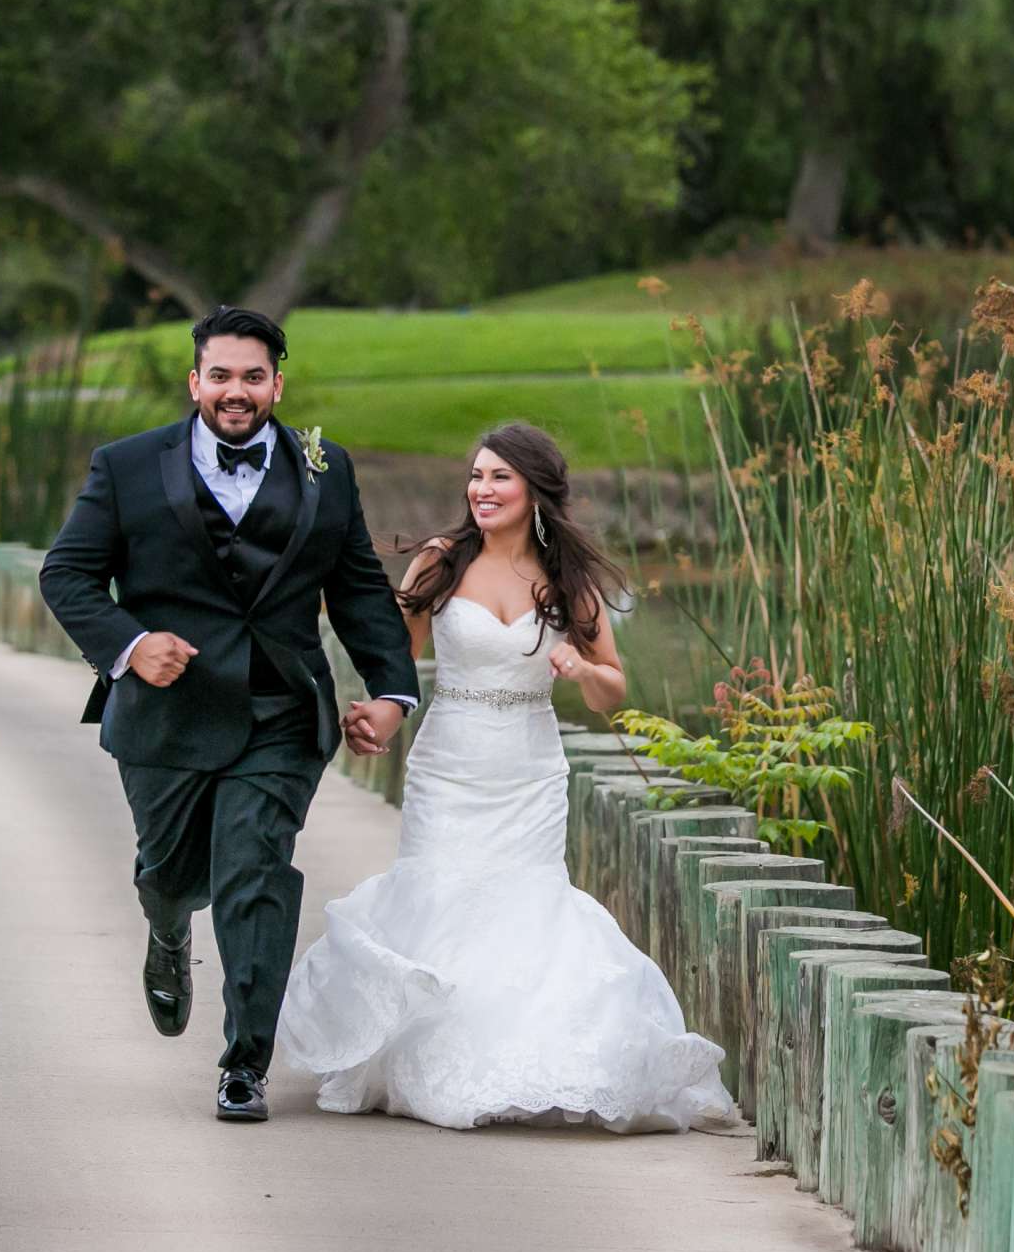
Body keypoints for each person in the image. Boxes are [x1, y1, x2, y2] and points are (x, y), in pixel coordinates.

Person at [277, 423, 735, 1132]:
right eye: (476, 477)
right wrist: (381, 716)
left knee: (524, 902)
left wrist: (583, 671)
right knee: (440, 890)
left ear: (535, 491)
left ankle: (523, 1056)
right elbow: (397, 662)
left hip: (527, 767)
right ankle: (425, 1056)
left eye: (499, 478)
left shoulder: (570, 581)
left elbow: (613, 687)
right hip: (450, 761)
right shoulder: (440, 561)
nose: (481, 490)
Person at [39, 306, 420, 1123]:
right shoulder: (127, 467)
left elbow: (356, 587)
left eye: (253, 377)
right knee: (171, 874)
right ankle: (168, 928)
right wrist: (132, 642)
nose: (236, 392)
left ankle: (244, 1062)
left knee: (254, 870)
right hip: (166, 716)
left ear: (278, 383)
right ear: (195, 382)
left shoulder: (326, 469)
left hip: (282, 710)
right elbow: (65, 575)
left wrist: (392, 694)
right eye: (221, 376)